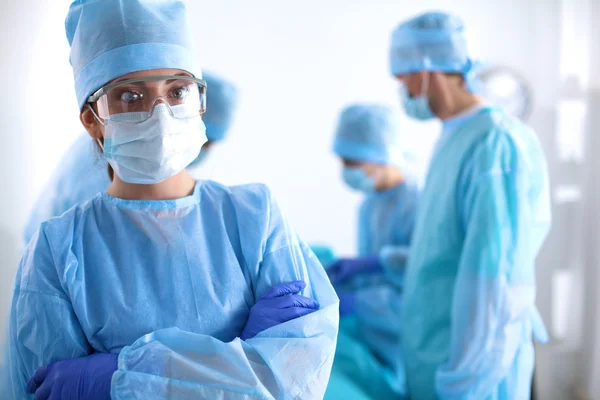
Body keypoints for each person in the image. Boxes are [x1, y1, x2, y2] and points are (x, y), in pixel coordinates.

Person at [1, 1, 338, 399]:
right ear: (91, 118)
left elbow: (298, 383)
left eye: (177, 90)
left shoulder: (255, 216)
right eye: (129, 96)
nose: (160, 114)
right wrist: (241, 365)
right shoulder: (58, 251)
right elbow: (269, 381)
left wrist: (119, 378)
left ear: (199, 100)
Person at [385, 11, 550, 399]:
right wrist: (387, 264)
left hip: (476, 376)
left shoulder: (495, 145)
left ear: (428, 70)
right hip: (439, 358)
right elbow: (445, 253)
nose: (401, 88)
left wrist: (465, 383)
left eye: (403, 76)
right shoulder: (453, 138)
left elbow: (495, 286)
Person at [22, 71, 238, 247]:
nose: (202, 149)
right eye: (130, 96)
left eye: (208, 144)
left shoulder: (244, 210)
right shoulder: (115, 157)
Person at [324, 104, 419, 399]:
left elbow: (421, 286)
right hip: (376, 334)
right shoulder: (370, 204)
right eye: (344, 161)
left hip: (406, 333)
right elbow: (376, 275)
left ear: (382, 155)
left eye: (353, 162)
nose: (348, 170)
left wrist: (359, 303)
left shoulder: (418, 201)